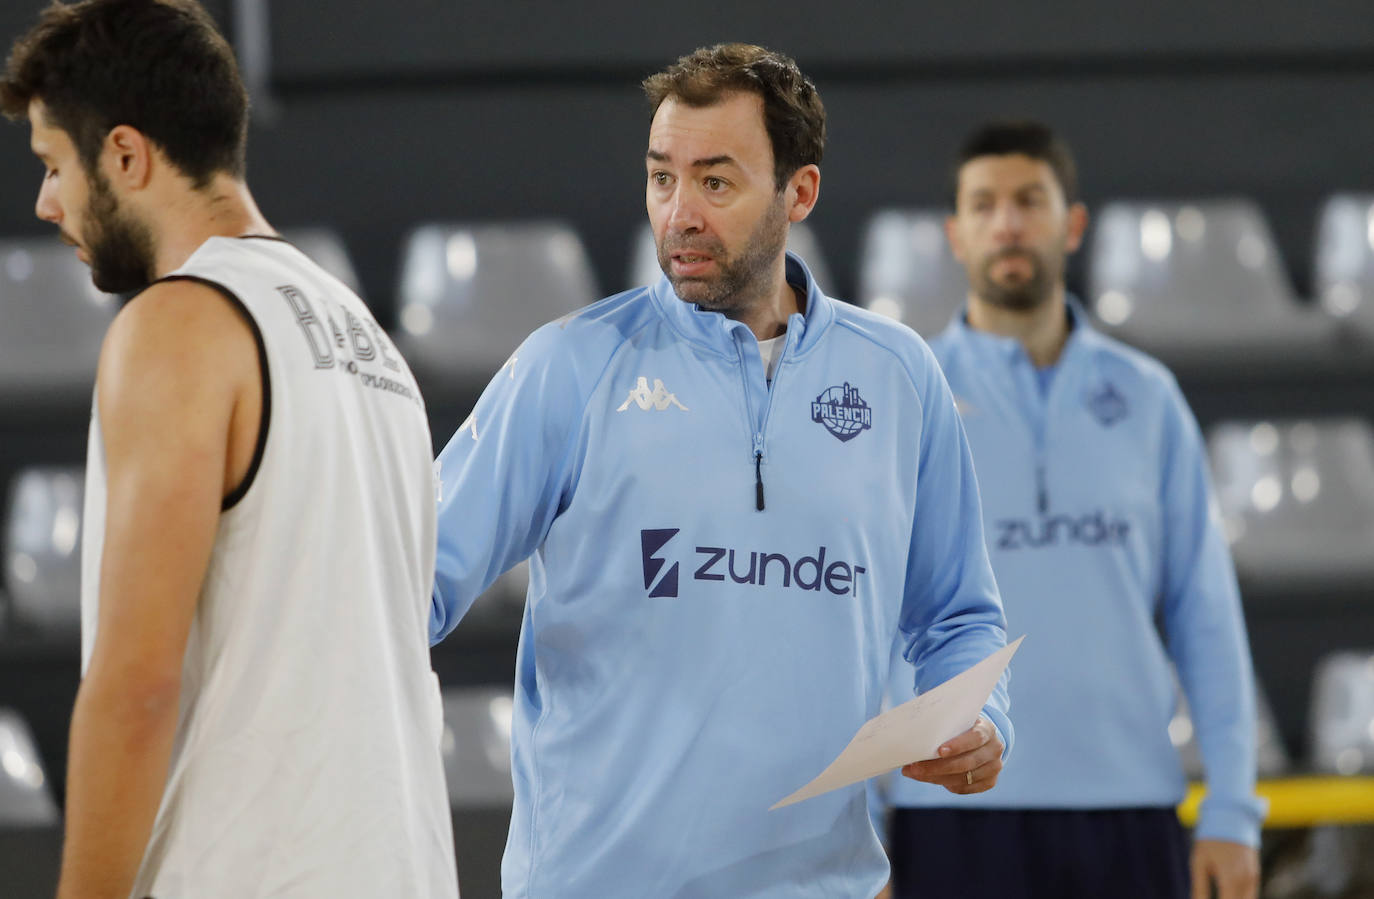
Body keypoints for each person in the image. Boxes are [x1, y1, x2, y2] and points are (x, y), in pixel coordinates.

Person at [430, 42, 1012, 897]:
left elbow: (958, 615)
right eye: (662, 177)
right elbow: (406, 581)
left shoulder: (900, 376)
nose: (678, 213)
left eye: (715, 181)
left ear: (798, 193)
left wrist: (980, 720)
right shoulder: (568, 367)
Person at [1, 2, 458, 897]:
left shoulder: (176, 323)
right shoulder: (371, 343)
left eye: (55, 164)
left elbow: (135, 687)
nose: (45, 202)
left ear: (126, 156)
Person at [875, 120, 1264, 899]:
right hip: (949, 808)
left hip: (1129, 807)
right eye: (984, 205)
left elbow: (1206, 614)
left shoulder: (1149, 397)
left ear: (1072, 224)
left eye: (1030, 200)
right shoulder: (903, 395)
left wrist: (1232, 810)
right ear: (956, 234)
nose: (1008, 223)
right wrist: (855, 827)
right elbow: (856, 619)